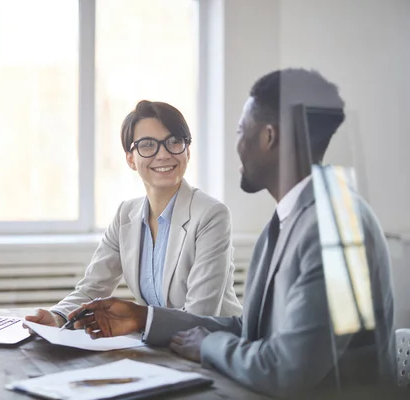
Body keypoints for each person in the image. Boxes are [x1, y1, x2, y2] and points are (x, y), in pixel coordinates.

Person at [68, 69, 395, 398]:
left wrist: (209, 344)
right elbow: (250, 331)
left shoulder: (336, 227)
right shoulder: (286, 221)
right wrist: (144, 318)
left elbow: (287, 369)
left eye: (241, 130)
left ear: (268, 137)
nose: (236, 146)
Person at [25, 100, 242, 328]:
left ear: (187, 151)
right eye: (148, 145)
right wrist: (58, 316)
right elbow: (92, 288)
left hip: (213, 348)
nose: (163, 154)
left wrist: (138, 321)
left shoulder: (211, 215)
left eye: (174, 142)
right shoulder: (125, 215)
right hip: (160, 347)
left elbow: (200, 315)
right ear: (131, 158)